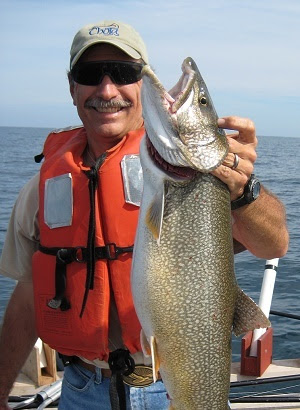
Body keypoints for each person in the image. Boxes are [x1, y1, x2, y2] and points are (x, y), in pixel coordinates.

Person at [0, 20, 289, 410]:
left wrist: (243, 188)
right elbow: (29, 295)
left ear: (141, 83)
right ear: (72, 88)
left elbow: (274, 243)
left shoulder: (205, 176)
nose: (107, 90)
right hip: (81, 386)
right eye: (90, 75)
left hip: (166, 386)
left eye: (122, 73)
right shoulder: (41, 191)